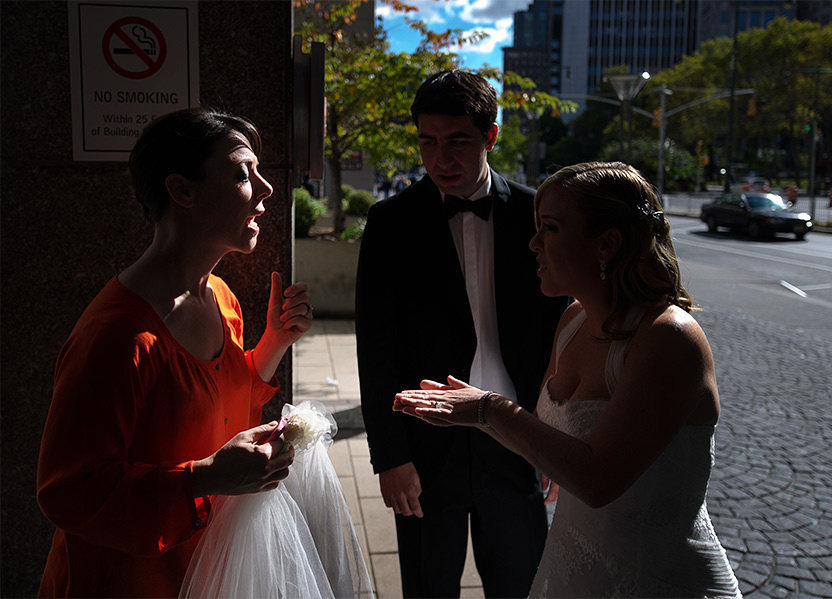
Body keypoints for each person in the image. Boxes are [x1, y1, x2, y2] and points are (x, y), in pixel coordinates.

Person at [394, 162, 744, 598]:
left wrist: (488, 409)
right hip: (573, 569)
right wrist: (471, 411)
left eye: (551, 228)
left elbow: (597, 481)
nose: (534, 243)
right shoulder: (573, 321)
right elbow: (548, 441)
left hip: (657, 579)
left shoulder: (668, 338)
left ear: (607, 243)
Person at [36, 107, 313, 598]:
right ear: (182, 190)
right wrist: (205, 478)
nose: (267, 189)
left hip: (203, 572)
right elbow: (67, 491)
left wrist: (273, 343)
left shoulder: (220, 297)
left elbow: (222, 405)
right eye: (242, 174)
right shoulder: (117, 337)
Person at [355, 70, 567, 598]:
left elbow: (559, 336)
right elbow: (376, 349)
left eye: (457, 141)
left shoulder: (537, 214)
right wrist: (390, 456)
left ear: (491, 136)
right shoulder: (390, 223)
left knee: (521, 585)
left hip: (516, 436)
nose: (440, 158)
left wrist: (558, 439)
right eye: (427, 141)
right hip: (427, 444)